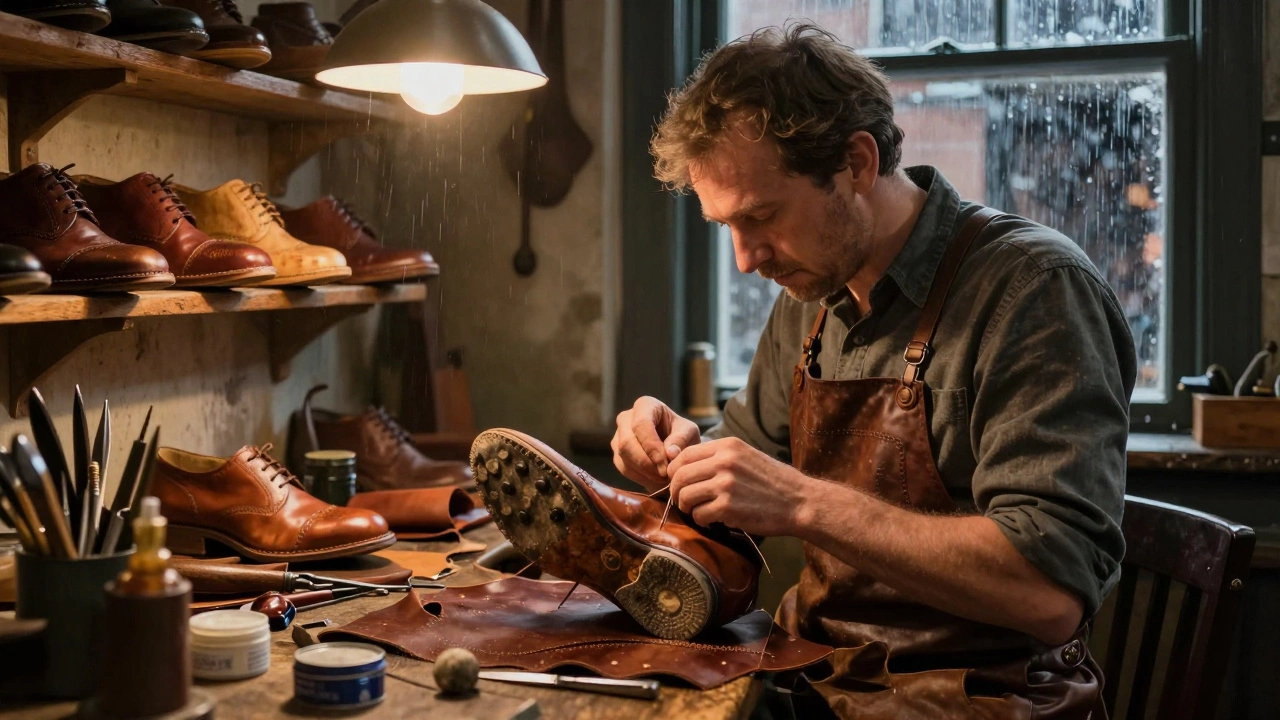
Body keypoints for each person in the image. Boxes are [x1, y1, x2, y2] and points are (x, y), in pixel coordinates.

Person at [611, 23, 1134, 719]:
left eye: (762, 217)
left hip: (984, 697)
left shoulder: (1034, 291)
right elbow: (741, 488)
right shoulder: (811, 299)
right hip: (818, 678)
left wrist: (803, 503)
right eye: (726, 227)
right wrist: (676, 456)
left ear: (857, 163)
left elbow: (1048, 593)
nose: (746, 259)